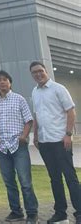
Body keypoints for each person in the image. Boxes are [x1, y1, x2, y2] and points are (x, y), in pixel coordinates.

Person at [30, 61, 81, 224]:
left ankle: (79, 211)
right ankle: (60, 212)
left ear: (46, 71)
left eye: (40, 71)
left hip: (61, 141)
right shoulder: (35, 92)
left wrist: (68, 134)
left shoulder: (59, 89)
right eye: (34, 73)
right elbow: (37, 115)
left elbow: (71, 111)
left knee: (70, 177)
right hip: (45, 142)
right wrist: (36, 135)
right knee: (54, 178)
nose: (38, 74)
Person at [0, 70, 38, 224]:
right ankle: (16, 211)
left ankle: (32, 213)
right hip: (2, 147)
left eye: (5, 79)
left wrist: (24, 136)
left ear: (10, 82)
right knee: (9, 181)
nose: (2, 82)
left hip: (18, 146)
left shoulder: (19, 99)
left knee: (25, 181)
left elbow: (29, 120)